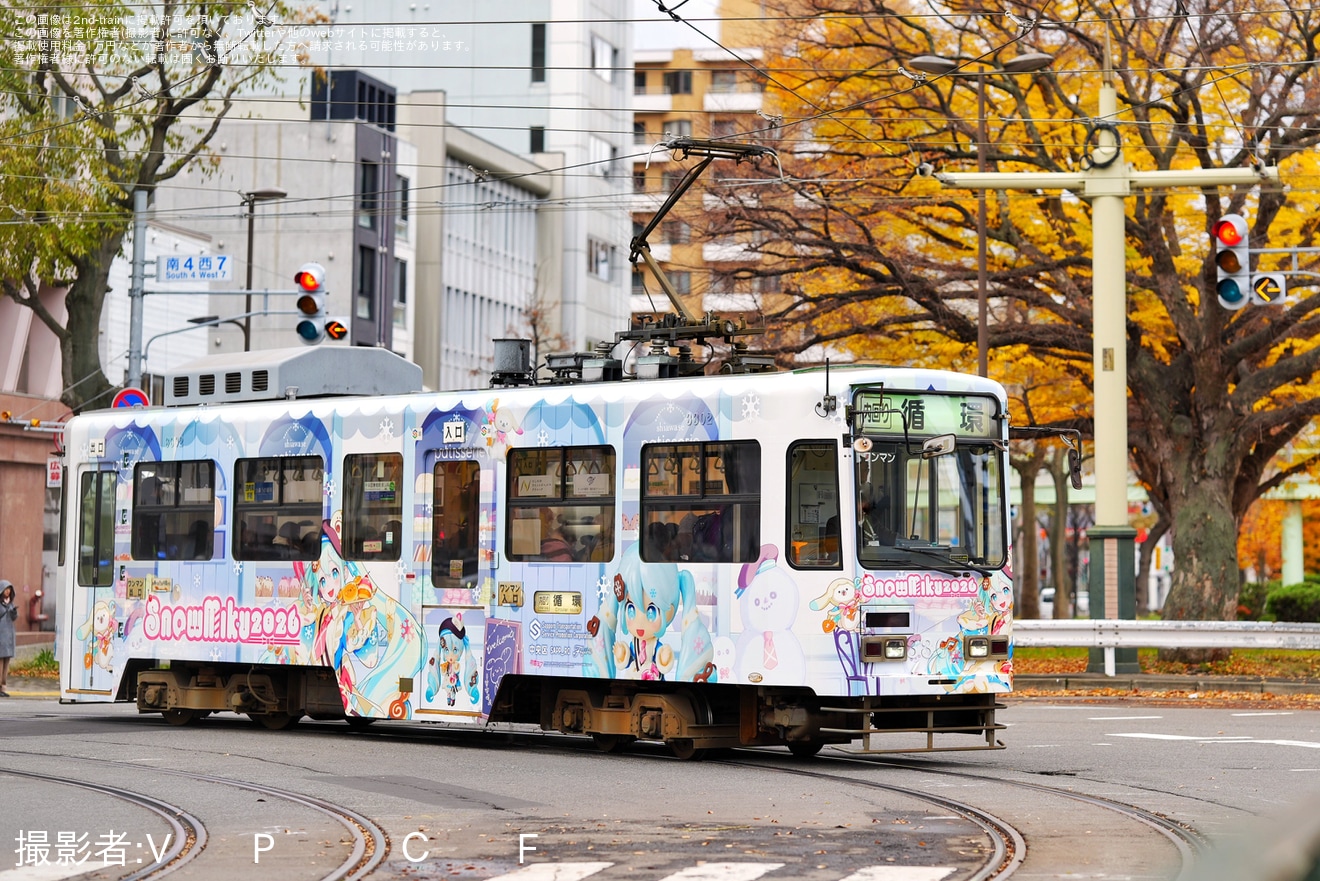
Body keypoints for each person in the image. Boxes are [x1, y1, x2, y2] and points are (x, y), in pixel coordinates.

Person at [0, 581, 17, 697]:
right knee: (0, 662)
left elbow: (14, 618)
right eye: (6, 589)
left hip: (9, 637)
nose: (8, 592)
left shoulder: (11, 603)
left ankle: (3, 686)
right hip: (1, 635)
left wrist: (14, 612)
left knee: (6, 662)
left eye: (9, 590)